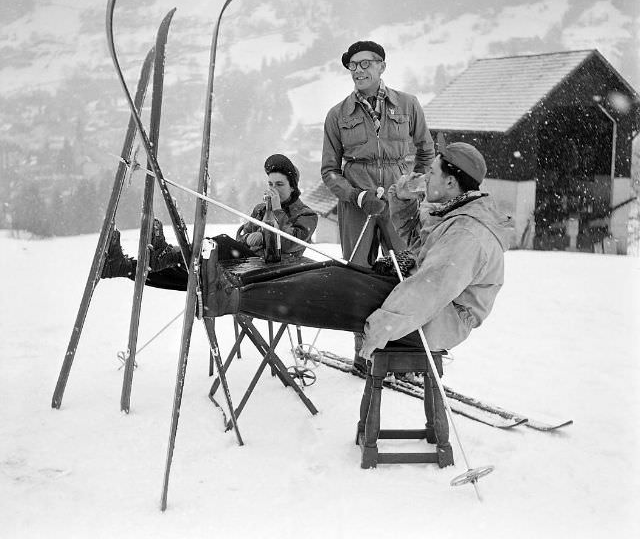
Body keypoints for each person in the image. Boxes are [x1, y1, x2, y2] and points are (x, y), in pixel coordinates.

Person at [208, 143, 512, 359]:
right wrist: (403, 198)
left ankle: (235, 297)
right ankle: (235, 288)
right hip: (424, 306)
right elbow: (415, 239)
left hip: (438, 319)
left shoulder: (467, 233)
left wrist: (381, 328)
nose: (425, 177)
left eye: (431, 172)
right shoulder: (455, 212)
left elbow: (430, 290)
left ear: (449, 181)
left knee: (340, 286)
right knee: (334, 272)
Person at [321, 40, 435, 370]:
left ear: (382, 66)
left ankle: (408, 353)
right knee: (359, 277)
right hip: (358, 204)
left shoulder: (408, 105)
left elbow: (426, 153)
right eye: (352, 65)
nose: (358, 70)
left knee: (408, 273)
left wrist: (413, 186)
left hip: (400, 205)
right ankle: (364, 356)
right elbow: (329, 171)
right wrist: (358, 196)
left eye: (365, 63)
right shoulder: (337, 115)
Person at [101, 154, 318, 290]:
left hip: (271, 274)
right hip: (245, 265)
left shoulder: (306, 215)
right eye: (270, 183)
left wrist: (274, 217)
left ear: (293, 186)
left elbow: (290, 244)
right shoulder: (261, 208)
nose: (274, 189)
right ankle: (125, 267)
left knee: (217, 245)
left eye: (279, 184)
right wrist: (250, 237)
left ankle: (165, 255)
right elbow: (242, 234)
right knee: (187, 271)